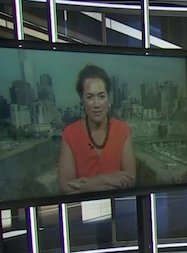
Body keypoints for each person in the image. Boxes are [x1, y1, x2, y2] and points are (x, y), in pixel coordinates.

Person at [58, 64, 136, 194]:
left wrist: (87, 185)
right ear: (81, 100)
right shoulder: (70, 134)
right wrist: (106, 179)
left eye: (101, 96)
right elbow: (66, 187)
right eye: (90, 97)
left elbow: (130, 180)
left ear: (108, 98)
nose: (96, 104)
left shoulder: (123, 130)